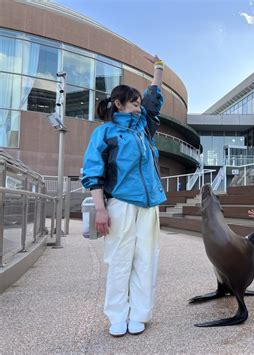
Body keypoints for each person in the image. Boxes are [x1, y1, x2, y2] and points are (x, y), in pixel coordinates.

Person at [81, 55, 166, 337]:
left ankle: (139, 313)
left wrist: (158, 70)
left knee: (146, 259)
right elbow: (93, 172)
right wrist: (101, 209)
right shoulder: (105, 132)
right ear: (119, 104)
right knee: (120, 261)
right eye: (134, 103)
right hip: (120, 203)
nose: (140, 107)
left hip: (148, 205)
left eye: (140, 103)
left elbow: (154, 99)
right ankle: (117, 315)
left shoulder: (145, 129)